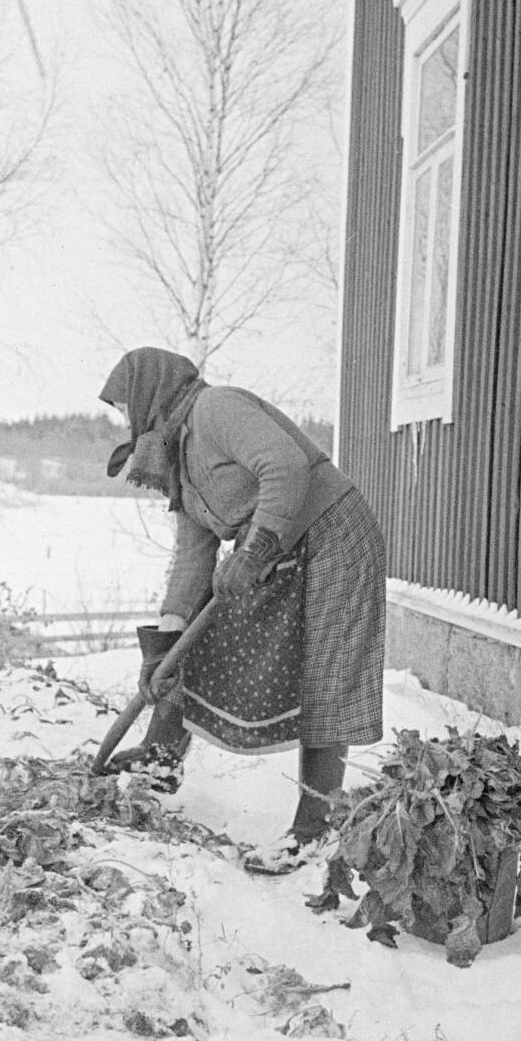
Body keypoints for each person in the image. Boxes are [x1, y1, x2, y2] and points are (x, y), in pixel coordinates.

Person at [99, 347, 385, 874]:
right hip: (281, 545)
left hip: (334, 532)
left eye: (124, 408)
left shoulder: (216, 409)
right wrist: (162, 648)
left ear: (147, 398)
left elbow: (287, 466)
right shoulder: (180, 460)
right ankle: (161, 760)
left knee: (325, 673)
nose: (125, 421)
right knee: (196, 645)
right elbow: (192, 559)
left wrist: (254, 550)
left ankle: (314, 827)